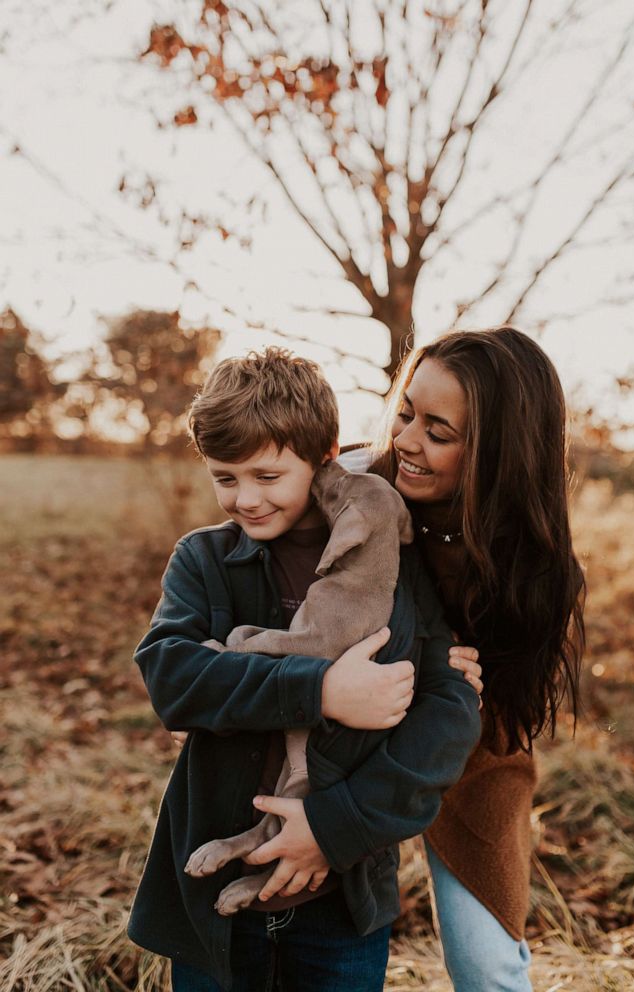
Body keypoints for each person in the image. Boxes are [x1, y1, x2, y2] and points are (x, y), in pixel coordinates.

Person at [127, 347, 483, 992]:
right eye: (224, 477)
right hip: (211, 889)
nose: (245, 499)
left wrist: (337, 825)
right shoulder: (204, 561)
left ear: (324, 460)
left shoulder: (389, 562)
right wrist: (320, 690)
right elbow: (171, 674)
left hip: (344, 892)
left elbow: (446, 709)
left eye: (267, 476)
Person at [342, 325, 585, 992]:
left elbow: (498, 710)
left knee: (484, 966)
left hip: (473, 753)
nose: (406, 440)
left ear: (498, 451)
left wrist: (450, 697)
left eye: (438, 431)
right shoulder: (353, 486)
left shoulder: (534, 568)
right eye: (406, 413)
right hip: (342, 725)